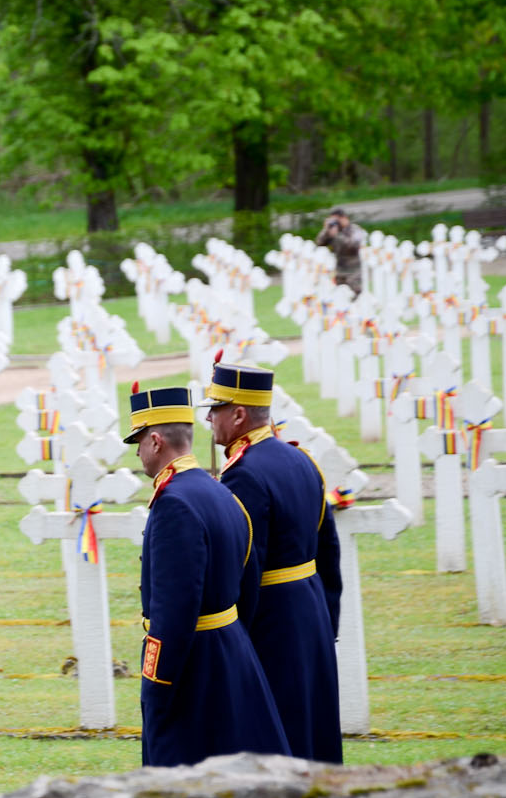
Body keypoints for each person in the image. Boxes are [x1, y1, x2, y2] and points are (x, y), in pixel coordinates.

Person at [124, 384, 290, 767]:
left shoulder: (173, 505)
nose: (136, 453)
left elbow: (173, 611)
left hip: (193, 670)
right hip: (231, 650)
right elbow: (248, 583)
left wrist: (157, 685)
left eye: (138, 442)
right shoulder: (219, 492)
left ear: (155, 441)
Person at [200, 362, 344, 763]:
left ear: (240, 414)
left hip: (272, 618)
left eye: (217, 408)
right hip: (311, 610)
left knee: (277, 729)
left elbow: (244, 566)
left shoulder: (243, 474)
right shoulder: (302, 461)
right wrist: (326, 617)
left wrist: (235, 637)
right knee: (313, 723)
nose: (209, 417)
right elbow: (327, 550)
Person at [315, 207, 367, 295]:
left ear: (343, 218)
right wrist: (326, 230)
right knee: (340, 298)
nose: (335, 223)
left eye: (336, 220)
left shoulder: (355, 230)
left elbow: (353, 246)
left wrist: (337, 235)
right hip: (339, 272)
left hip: (353, 272)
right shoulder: (333, 231)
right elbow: (319, 242)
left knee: (354, 297)